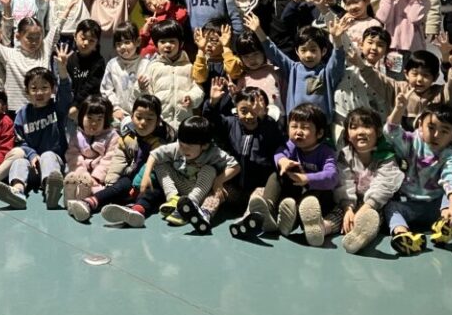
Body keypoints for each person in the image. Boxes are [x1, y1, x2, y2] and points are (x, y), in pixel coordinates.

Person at [104, 116, 238, 233]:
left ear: (204, 145)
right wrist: (146, 175)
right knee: (160, 164)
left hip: (201, 191)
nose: (183, 149)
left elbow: (235, 166)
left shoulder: (214, 153)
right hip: (181, 187)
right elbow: (154, 155)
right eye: (181, 144)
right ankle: (173, 199)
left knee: (210, 170)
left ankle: (192, 206)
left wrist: (219, 181)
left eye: (189, 146)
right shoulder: (177, 147)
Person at [383, 91, 452, 256]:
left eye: (444, 131)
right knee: (391, 207)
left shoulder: (450, 154)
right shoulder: (412, 142)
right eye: (431, 127)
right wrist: (399, 109)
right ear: (420, 124)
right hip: (410, 204)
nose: (436, 135)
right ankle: (403, 235)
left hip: (437, 207)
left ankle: (445, 225)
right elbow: (391, 132)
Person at [67, 94, 171, 223]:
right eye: (139, 117)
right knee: (119, 186)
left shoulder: (160, 143)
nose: (143, 122)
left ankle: (136, 212)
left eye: (149, 119)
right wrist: (111, 180)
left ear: (158, 121)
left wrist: (137, 186)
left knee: (151, 194)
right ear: (131, 117)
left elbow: (151, 166)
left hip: (153, 181)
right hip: (133, 178)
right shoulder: (129, 137)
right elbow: (119, 158)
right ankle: (89, 202)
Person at [203, 83, 284, 241]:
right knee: (217, 193)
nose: (249, 116)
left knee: (258, 199)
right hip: (234, 188)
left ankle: (246, 221)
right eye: (244, 110)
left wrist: (263, 117)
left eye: (255, 111)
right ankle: (204, 213)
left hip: (257, 188)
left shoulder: (269, 127)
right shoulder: (230, 124)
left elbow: (277, 136)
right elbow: (211, 120)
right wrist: (212, 103)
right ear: (236, 110)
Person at [0, 59, 73, 210]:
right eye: (34, 88)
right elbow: (20, 142)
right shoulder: (22, 114)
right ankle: (17, 192)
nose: (39, 92)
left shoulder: (58, 108)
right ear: (27, 92)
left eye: (44, 87)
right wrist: (31, 155)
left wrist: (62, 69)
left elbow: (66, 92)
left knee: (48, 155)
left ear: (53, 89)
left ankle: (51, 190)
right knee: (19, 161)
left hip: (55, 166)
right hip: (32, 168)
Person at [244, 13, 350, 123]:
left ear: (323, 51)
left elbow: (337, 60)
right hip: (295, 125)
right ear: (297, 52)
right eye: (303, 50)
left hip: (319, 127)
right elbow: (273, 52)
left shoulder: (326, 73)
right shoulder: (292, 69)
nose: (308, 55)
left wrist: (337, 40)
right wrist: (258, 31)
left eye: (313, 50)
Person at [334, 107, 404, 254]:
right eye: (354, 127)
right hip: (351, 202)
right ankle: (322, 227)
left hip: (376, 204)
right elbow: (344, 182)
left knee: (374, 217)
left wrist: (366, 208)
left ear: (378, 132)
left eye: (366, 126)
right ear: (347, 135)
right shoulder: (345, 155)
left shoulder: (386, 156)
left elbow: (384, 186)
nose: (360, 132)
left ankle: (361, 237)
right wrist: (348, 208)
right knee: (338, 213)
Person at [271, 103, 341, 246]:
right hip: (295, 193)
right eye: (294, 126)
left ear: (319, 133)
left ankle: (302, 221)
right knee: (275, 176)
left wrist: (307, 179)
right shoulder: (292, 146)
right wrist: (283, 161)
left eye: (305, 127)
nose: (298, 132)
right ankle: (268, 207)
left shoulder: (326, 152)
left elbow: (332, 176)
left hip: (316, 198)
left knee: (314, 197)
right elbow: (279, 152)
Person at [138, 19, 204, 132]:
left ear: (181, 44)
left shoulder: (189, 66)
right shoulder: (152, 67)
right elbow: (145, 96)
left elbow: (198, 88)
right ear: (156, 45)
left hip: (184, 123)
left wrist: (192, 98)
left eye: (172, 41)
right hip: (160, 123)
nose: (168, 45)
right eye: (163, 42)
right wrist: (141, 88)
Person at [375, 0, 429, 75]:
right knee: (394, 81)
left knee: (413, 80)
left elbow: (414, 18)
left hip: (414, 51)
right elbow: (382, 18)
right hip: (393, 51)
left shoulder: (422, 1)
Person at [63, 95, 120, 206]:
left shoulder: (112, 136)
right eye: (89, 118)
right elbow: (73, 156)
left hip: (98, 178)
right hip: (79, 172)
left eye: (99, 119)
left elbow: (109, 159)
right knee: (72, 177)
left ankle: (82, 196)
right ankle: (70, 195)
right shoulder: (77, 136)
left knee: (99, 191)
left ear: (106, 120)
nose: (94, 123)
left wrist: (95, 177)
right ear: (81, 117)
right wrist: (82, 173)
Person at [100, 22, 150, 120]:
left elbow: (150, 93)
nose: (122, 47)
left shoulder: (146, 64)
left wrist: (143, 88)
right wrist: (115, 108)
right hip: (119, 115)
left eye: (127, 42)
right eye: (119, 44)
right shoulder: (112, 64)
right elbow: (106, 89)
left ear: (138, 42)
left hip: (141, 115)